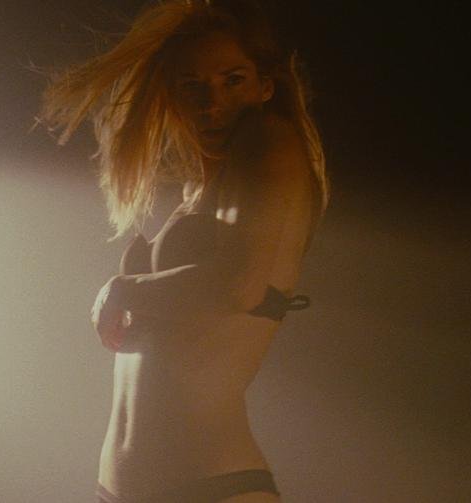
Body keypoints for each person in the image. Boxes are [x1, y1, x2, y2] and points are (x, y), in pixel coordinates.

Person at [36, 1, 329, 501]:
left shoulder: (269, 140)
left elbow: (239, 285)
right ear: (172, 94)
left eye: (232, 80)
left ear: (265, 85)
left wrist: (123, 288)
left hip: (208, 482)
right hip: (125, 487)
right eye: (192, 86)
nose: (212, 102)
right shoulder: (201, 188)